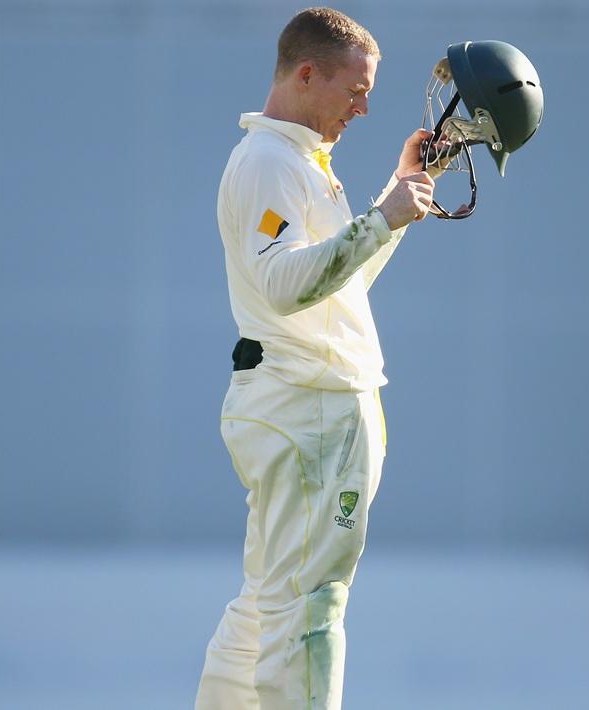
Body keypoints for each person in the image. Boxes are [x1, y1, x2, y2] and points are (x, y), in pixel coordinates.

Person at [195, 7, 437, 709]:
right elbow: (281, 284)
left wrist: (395, 208)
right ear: (307, 74)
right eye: (354, 90)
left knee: (270, 598)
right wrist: (379, 217)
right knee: (310, 604)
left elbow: (338, 286)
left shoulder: (295, 161)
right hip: (310, 412)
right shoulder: (271, 161)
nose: (364, 107)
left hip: (300, 405)